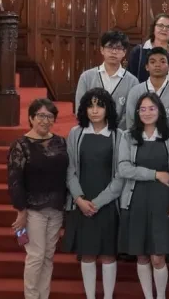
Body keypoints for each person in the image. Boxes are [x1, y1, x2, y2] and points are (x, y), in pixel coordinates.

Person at [117, 93, 169, 299]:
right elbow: (124, 169)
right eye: (142, 109)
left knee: (158, 256)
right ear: (137, 113)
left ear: (160, 111)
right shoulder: (127, 136)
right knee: (142, 255)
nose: (147, 113)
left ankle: (160, 296)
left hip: (163, 203)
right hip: (135, 201)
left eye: (152, 108)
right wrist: (154, 174)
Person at [64, 89, 122, 299]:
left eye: (100, 105)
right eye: (90, 106)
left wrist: (97, 202)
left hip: (108, 203)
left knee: (108, 255)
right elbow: (69, 170)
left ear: (108, 108)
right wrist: (79, 199)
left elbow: (120, 175)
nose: (95, 110)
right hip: (82, 202)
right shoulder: (76, 133)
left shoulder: (118, 135)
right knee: (87, 254)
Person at [8, 99, 68, 299]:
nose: (45, 120)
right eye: (41, 116)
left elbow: (66, 175)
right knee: (36, 256)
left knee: (48, 257)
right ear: (31, 118)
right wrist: (21, 211)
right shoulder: (21, 145)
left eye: (49, 116)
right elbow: (15, 180)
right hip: (33, 209)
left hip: (57, 208)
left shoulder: (61, 142)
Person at [75, 30, 139, 128]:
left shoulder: (133, 81)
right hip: (91, 131)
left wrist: (115, 131)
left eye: (118, 48)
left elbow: (130, 114)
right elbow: (80, 108)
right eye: (109, 47)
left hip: (120, 135)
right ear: (102, 50)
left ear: (124, 52)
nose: (114, 52)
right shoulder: (86, 77)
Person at [126, 46, 169, 135]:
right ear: (146, 67)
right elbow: (131, 122)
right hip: (140, 142)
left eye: (162, 61)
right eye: (153, 62)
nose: (157, 65)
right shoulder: (135, 91)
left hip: (168, 143)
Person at [127, 13, 169, 85]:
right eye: (160, 25)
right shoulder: (138, 52)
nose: (164, 29)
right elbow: (130, 80)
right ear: (153, 28)